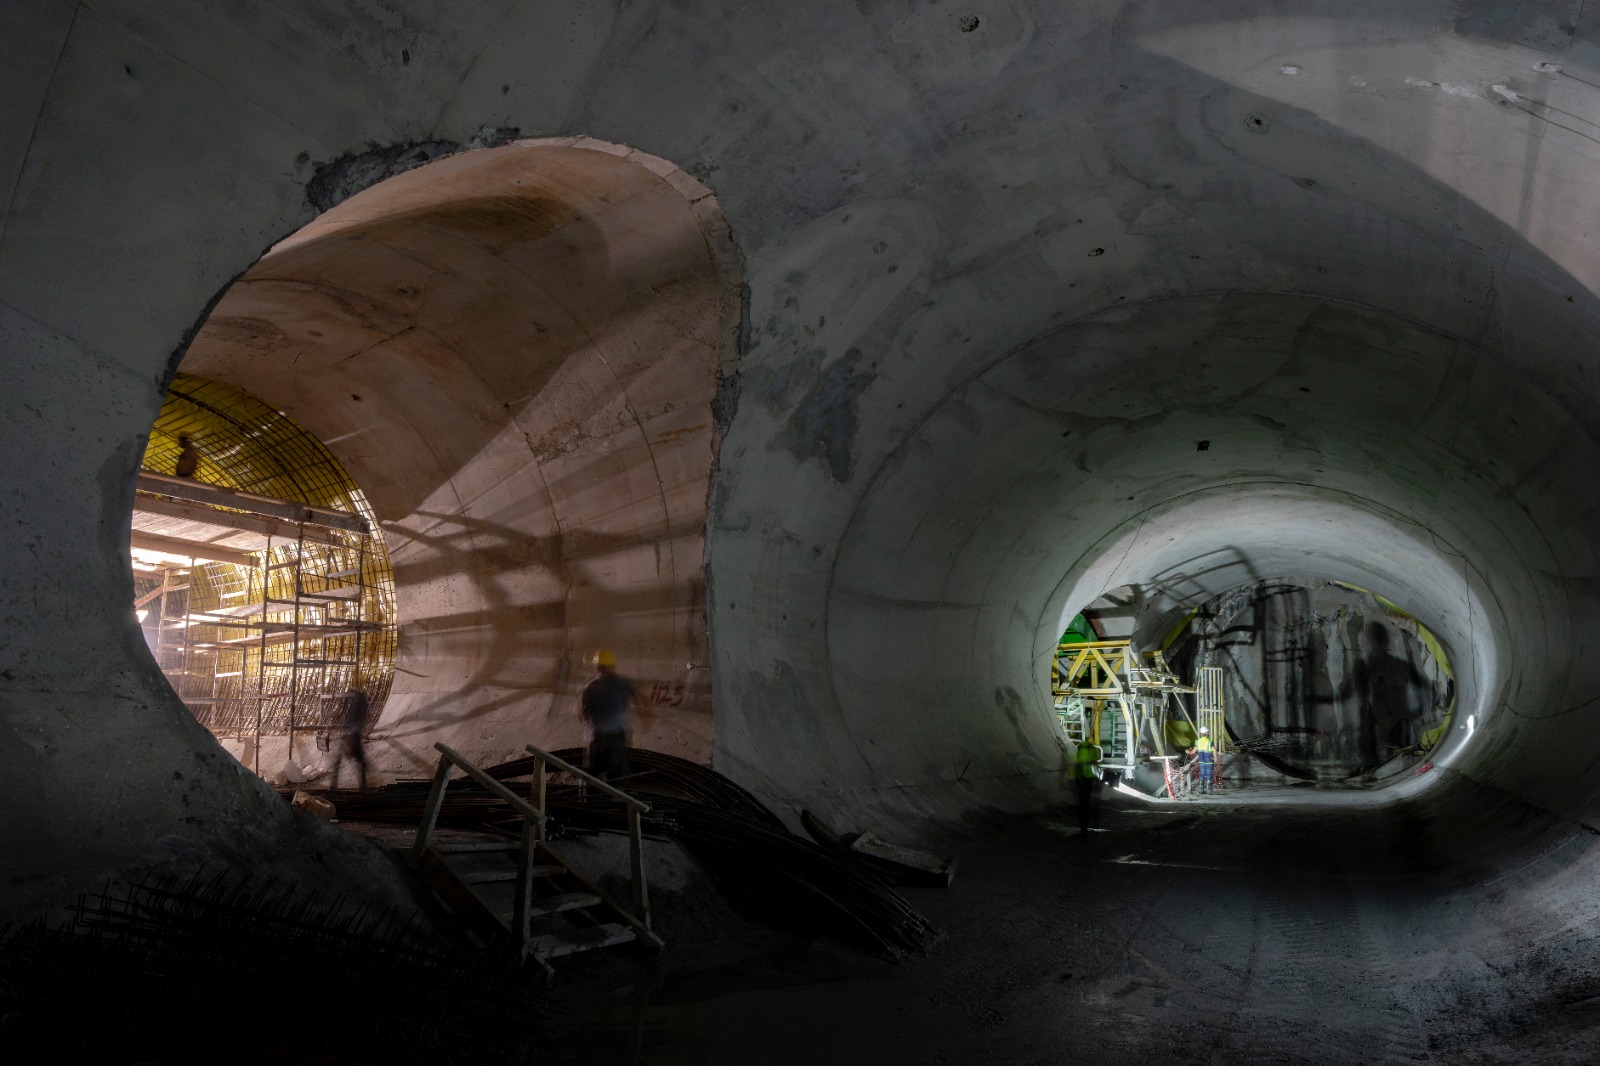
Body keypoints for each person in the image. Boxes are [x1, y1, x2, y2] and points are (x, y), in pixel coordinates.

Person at [580, 648, 634, 782]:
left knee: (591, 773)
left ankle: (590, 800)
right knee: (617, 775)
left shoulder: (590, 687)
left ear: (597, 666)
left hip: (598, 736)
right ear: (612, 666)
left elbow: (582, 714)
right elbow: (635, 702)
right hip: (617, 735)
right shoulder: (623, 683)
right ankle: (616, 799)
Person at [327, 687, 369, 790]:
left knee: (338, 761)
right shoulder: (358, 701)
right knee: (359, 762)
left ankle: (333, 786)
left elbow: (342, 716)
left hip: (348, 733)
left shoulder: (351, 702)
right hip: (352, 733)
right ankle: (362, 786)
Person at [1071, 739, 1102, 833]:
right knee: (1088, 801)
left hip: (1081, 778)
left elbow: (1078, 764)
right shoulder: (1091, 748)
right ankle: (1090, 823)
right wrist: (1097, 780)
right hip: (1089, 778)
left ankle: (1083, 826)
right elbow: (1094, 764)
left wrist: (1078, 779)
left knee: (1082, 802)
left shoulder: (1080, 748)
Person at [1186, 726, 1215, 796]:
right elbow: (1214, 750)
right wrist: (1216, 758)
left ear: (1201, 734)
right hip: (1209, 761)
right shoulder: (1210, 742)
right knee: (1209, 774)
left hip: (1202, 761)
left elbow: (1192, 752)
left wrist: (1187, 751)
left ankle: (1201, 789)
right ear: (1207, 733)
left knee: (1202, 774)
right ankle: (1209, 790)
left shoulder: (1198, 742)